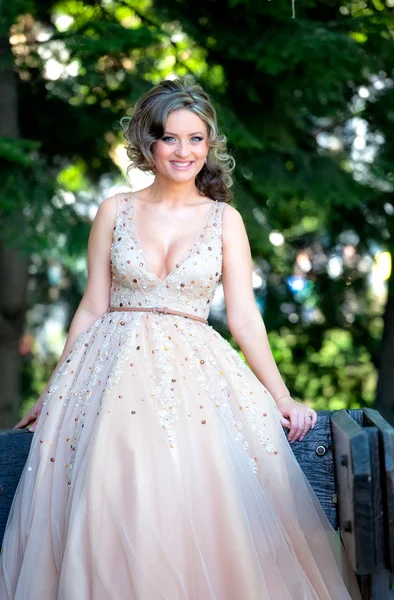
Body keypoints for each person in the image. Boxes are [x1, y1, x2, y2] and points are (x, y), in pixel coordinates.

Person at [0, 77, 362, 599]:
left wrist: (281, 396)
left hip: (194, 380)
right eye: (171, 138)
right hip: (107, 373)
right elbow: (91, 307)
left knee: (193, 501)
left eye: (196, 139)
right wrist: (53, 389)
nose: (184, 151)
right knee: (111, 492)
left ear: (209, 145)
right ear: (148, 143)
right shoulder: (115, 209)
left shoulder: (224, 219)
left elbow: (244, 317)